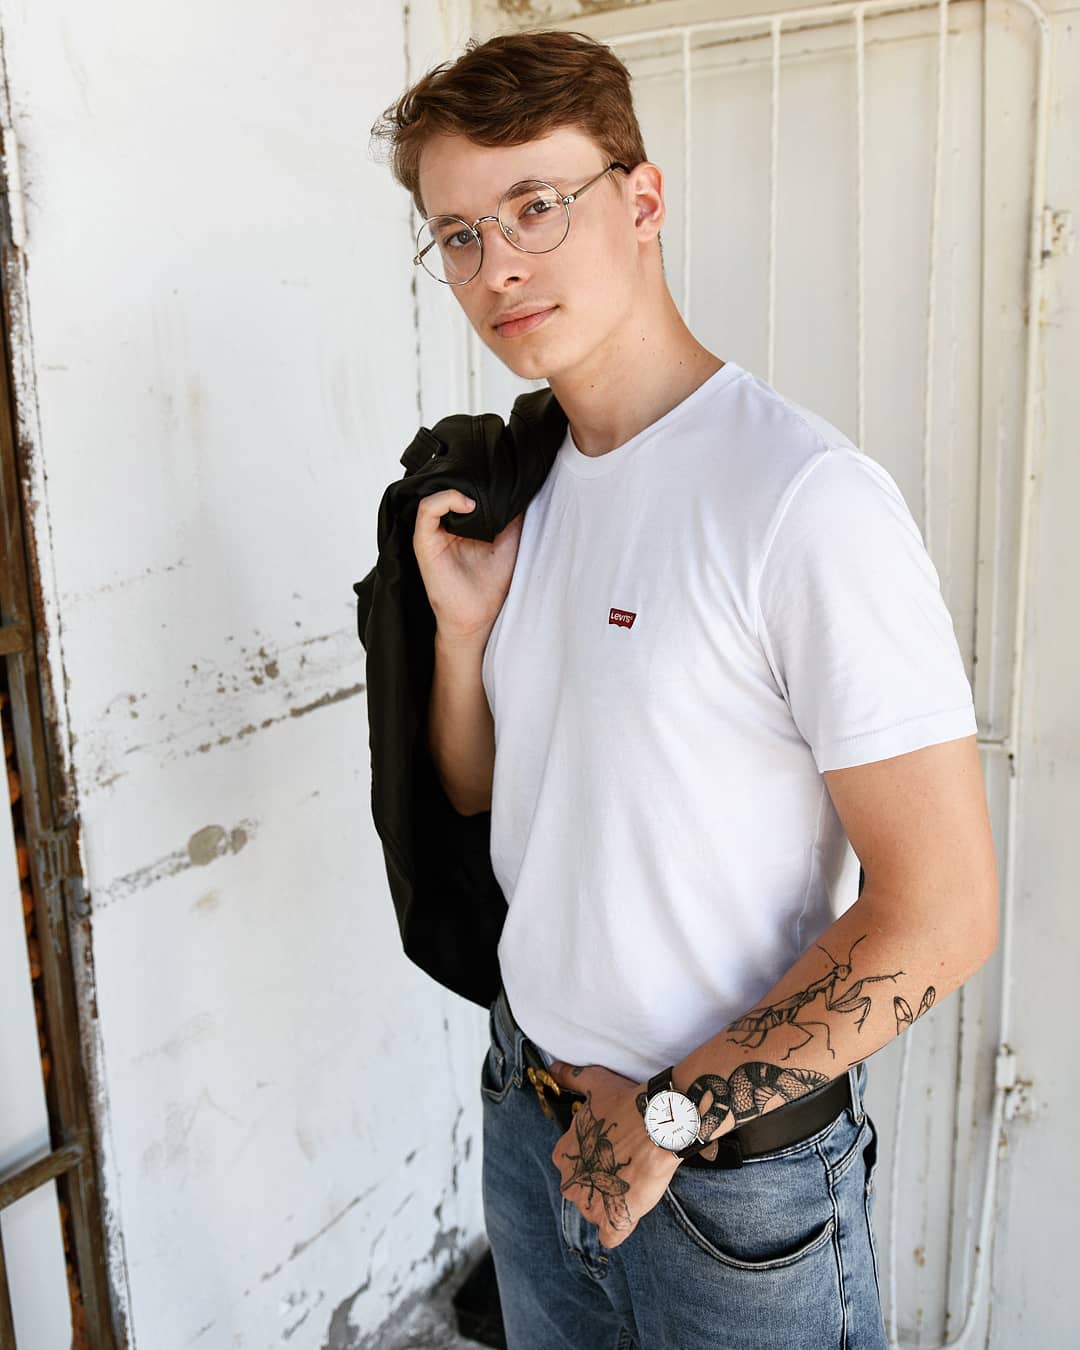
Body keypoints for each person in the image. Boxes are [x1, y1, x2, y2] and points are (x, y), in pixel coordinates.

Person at [371, 27, 999, 1350]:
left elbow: (943, 913)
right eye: (459, 234)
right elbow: (483, 794)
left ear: (643, 199)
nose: (498, 266)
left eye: (535, 206)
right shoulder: (525, 482)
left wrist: (668, 1118)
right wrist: (464, 637)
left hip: (728, 1182)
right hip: (531, 1119)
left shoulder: (803, 501)